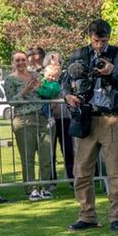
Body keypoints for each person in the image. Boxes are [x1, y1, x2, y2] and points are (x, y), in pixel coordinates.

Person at [63, 19, 118, 232]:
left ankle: (116, 216)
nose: (99, 45)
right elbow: (64, 81)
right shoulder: (78, 55)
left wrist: (112, 70)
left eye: (103, 40)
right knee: (82, 170)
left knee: (116, 170)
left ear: (109, 37)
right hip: (85, 117)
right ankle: (86, 214)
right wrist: (67, 96)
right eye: (95, 40)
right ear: (89, 37)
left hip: (112, 117)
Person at [3, 50, 53, 201]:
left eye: (23, 59)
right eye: (17, 60)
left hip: (42, 118)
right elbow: (11, 101)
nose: (20, 63)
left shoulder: (36, 75)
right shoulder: (10, 80)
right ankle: (31, 189)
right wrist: (25, 90)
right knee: (28, 156)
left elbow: (46, 92)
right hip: (23, 119)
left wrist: (40, 87)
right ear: (13, 63)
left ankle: (45, 187)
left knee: (45, 155)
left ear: (27, 60)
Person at [41, 52, 74, 180]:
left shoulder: (66, 77)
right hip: (48, 118)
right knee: (49, 151)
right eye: (52, 62)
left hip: (65, 117)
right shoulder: (43, 78)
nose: (56, 64)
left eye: (59, 62)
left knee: (68, 150)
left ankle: (72, 179)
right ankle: (50, 180)